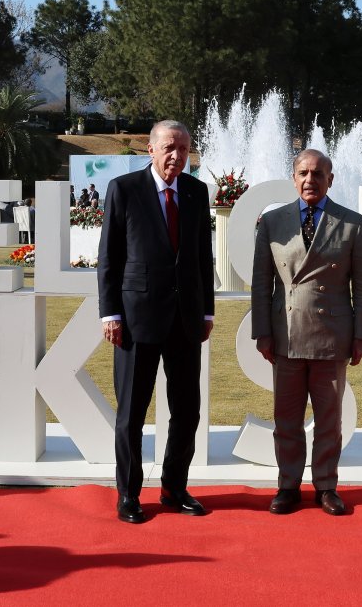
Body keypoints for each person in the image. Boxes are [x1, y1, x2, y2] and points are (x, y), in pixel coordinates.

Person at [97, 120, 214, 525]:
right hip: (135, 321)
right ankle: (128, 495)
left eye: (183, 149)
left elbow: (203, 258)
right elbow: (109, 257)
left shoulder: (198, 193)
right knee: (131, 413)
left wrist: (207, 311)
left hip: (185, 322)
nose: (176, 156)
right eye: (169, 147)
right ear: (150, 149)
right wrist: (110, 313)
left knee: (188, 411)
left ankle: (173, 488)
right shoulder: (124, 190)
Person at [252, 149, 362, 516]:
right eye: (304, 173)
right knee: (286, 419)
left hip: (332, 336)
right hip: (286, 333)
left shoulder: (352, 223)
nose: (310, 179)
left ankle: (325, 486)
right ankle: (288, 486)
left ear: (331, 180)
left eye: (318, 174)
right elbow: (262, 284)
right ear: (293, 178)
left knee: (329, 421)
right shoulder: (272, 222)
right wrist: (262, 331)